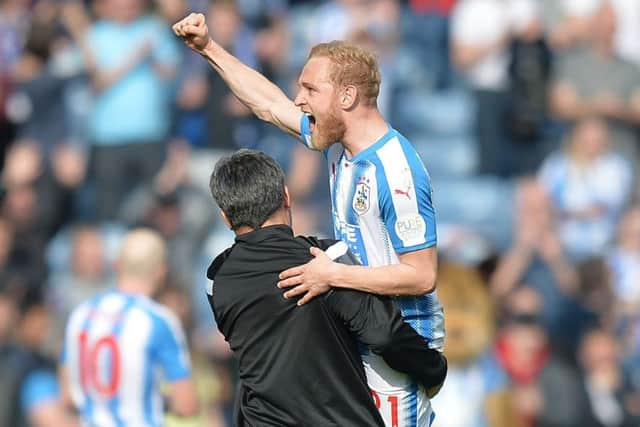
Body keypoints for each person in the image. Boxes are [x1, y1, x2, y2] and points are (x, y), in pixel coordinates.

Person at [173, 13, 444, 426]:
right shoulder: (338, 143)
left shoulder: (396, 171)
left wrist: (332, 276)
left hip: (398, 345)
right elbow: (268, 104)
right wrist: (210, 48)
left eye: (310, 89)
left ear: (347, 97)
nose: (299, 99)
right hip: (364, 328)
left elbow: (421, 275)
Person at [206, 149, 447, 426]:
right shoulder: (325, 260)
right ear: (286, 196)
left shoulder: (217, 279)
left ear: (226, 217)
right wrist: (433, 369)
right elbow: (384, 334)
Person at [58, 229, 200, 426]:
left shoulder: (81, 315)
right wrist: (153, 399)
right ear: (161, 271)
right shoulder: (158, 321)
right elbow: (186, 404)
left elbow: (67, 397)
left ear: (117, 265)